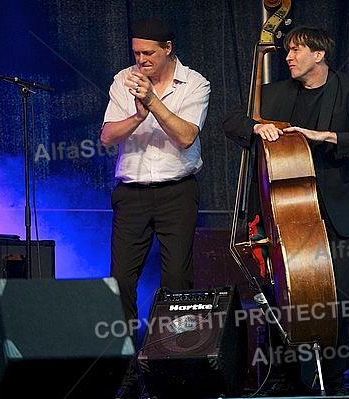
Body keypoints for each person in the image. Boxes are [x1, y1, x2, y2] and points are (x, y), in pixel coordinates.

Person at [223, 25, 349, 396]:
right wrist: (258, 126)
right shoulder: (277, 94)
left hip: (339, 213)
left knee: (340, 301)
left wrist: (326, 136)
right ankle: (296, 379)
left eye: (296, 50)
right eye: (287, 51)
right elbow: (231, 121)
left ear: (319, 54)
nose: (289, 57)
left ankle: (335, 378)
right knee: (293, 299)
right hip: (291, 216)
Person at [100, 18, 210, 399]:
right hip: (131, 194)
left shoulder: (195, 83)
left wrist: (151, 101)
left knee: (177, 281)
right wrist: (136, 114)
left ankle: (171, 368)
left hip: (177, 192)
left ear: (167, 48)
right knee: (121, 283)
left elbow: (185, 136)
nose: (140, 60)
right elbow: (107, 136)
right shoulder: (122, 79)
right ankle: (127, 370)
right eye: (136, 53)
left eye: (148, 53)